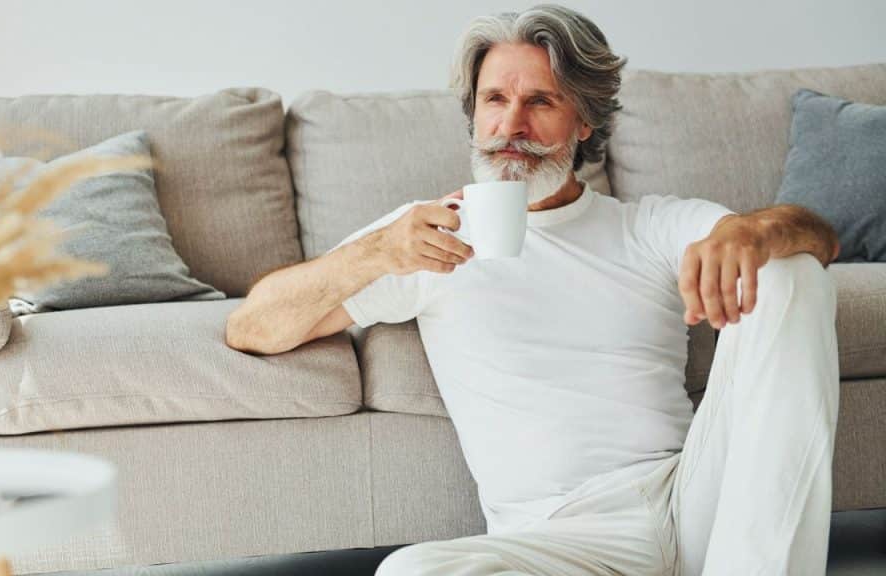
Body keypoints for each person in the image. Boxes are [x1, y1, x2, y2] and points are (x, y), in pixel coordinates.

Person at [225, 5, 842, 575]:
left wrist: (751, 231)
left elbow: (817, 236)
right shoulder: (425, 236)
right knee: (409, 571)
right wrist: (375, 251)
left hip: (693, 498)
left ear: (584, 121)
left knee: (791, 268)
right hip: (558, 540)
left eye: (540, 101)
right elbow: (252, 327)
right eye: (495, 100)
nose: (511, 125)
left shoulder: (646, 226)